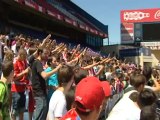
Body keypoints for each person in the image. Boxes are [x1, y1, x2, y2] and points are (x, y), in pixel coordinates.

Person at [30, 48, 61, 120]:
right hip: (39, 93)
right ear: (40, 53)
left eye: (48, 54)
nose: (47, 55)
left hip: (42, 93)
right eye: (45, 53)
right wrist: (56, 69)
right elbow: (44, 75)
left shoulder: (38, 63)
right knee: (39, 115)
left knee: (43, 114)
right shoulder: (37, 62)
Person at [11, 48, 30, 120]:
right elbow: (14, 78)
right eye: (24, 56)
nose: (25, 58)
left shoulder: (23, 61)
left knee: (22, 110)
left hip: (22, 89)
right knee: (15, 111)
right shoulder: (15, 62)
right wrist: (24, 72)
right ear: (21, 55)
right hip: (16, 90)